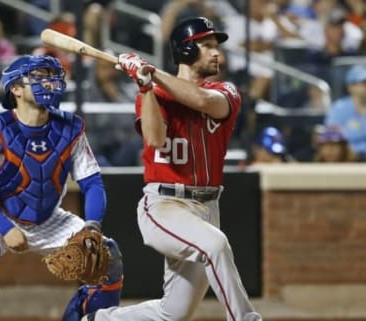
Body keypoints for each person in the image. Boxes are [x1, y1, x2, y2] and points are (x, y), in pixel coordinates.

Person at [76, 17, 262, 321]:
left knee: (172, 314)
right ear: (186, 50)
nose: (218, 53)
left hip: (207, 207)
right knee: (216, 245)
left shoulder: (226, 90)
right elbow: (154, 138)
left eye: (216, 46)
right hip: (165, 205)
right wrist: (145, 86)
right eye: (208, 45)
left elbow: (200, 99)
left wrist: (151, 72)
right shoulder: (153, 95)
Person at [0, 55, 123, 321]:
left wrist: (92, 226)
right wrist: (6, 227)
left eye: (51, 76)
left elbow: (91, 183)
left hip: (48, 216)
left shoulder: (70, 129)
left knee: (107, 258)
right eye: (38, 76)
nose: (48, 82)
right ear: (16, 88)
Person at [325, 64, 366, 161]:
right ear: (350, 86)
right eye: (363, 82)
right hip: (348, 159)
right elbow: (331, 139)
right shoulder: (339, 109)